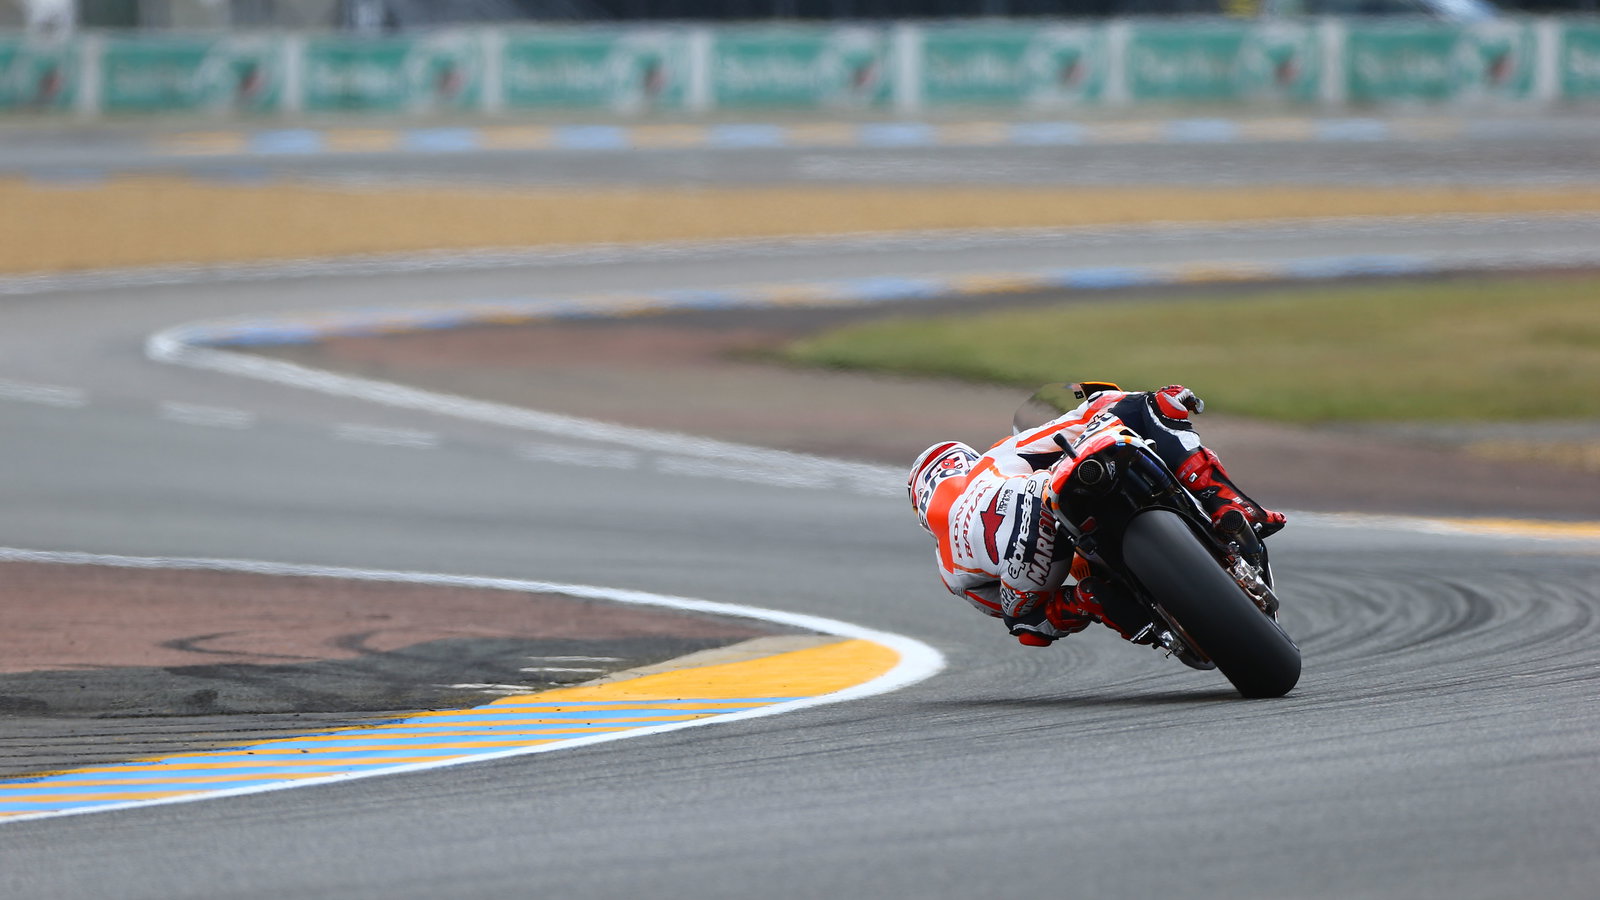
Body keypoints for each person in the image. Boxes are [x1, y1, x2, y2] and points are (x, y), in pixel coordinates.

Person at [907, 382, 1285, 648]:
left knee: (1028, 619)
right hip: (1038, 496)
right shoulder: (992, 459)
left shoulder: (947, 565)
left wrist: (1066, 607)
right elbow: (1087, 414)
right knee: (1148, 407)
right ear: (962, 461)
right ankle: (1230, 504)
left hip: (1025, 569)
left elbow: (1025, 627)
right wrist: (1154, 400)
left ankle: (1096, 600)